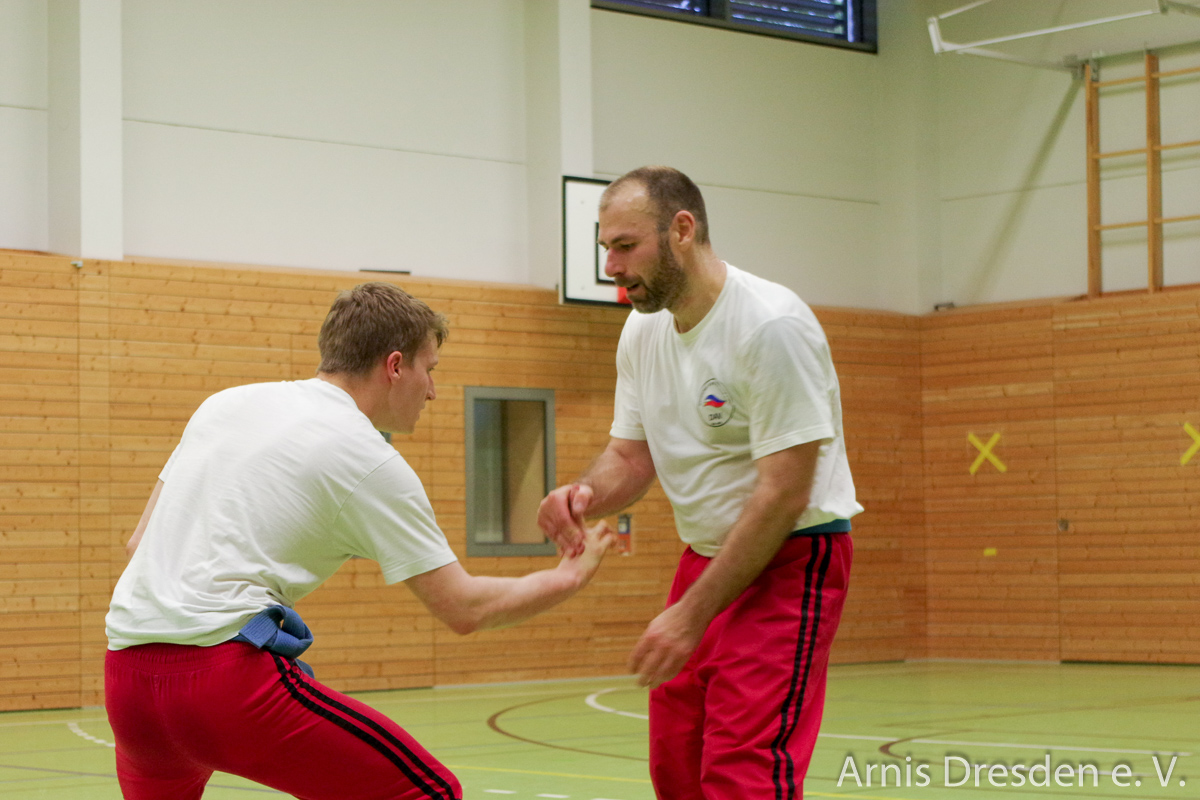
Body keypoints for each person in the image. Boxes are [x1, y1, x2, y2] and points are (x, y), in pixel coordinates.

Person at [105, 282, 612, 800]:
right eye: (430, 369)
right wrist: (568, 576)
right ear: (395, 366)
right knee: (430, 793)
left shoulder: (224, 405)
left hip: (126, 683)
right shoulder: (368, 458)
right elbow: (465, 607)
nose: (433, 391)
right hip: (225, 686)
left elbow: (138, 545)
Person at [538, 166, 860, 800]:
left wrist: (690, 615)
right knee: (677, 762)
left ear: (682, 230)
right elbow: (631, 457)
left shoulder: (771, 326)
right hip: (705, 558)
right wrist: (584, 494)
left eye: (625, 246)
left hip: (791, 559)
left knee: (743, 769)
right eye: (606, 247)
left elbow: (784, 493)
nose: (610, 266)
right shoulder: (643, 329)